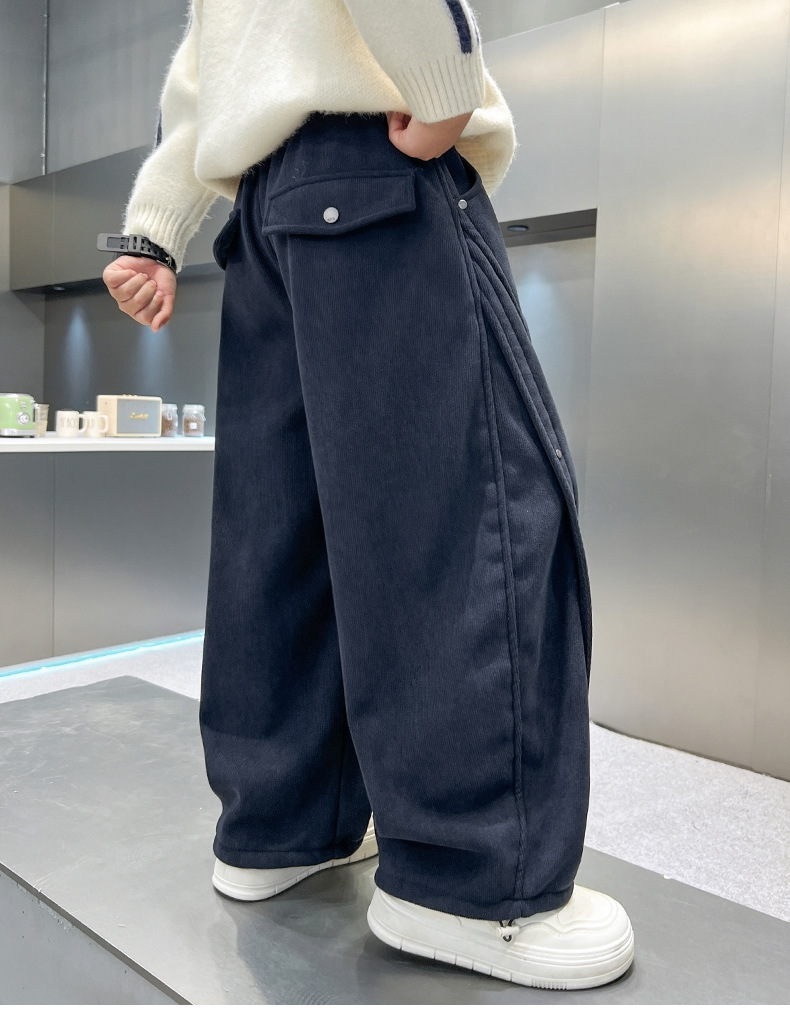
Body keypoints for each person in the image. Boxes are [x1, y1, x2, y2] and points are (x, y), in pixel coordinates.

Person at [102, 0, 635, 991]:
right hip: (376, 166)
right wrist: (443, 90)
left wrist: (153, 230)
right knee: (460, 512)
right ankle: (475, 882)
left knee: (280, 529)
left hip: (261, 214)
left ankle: (280, 825)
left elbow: (200, 78)